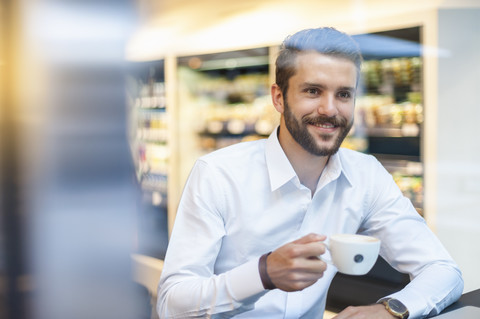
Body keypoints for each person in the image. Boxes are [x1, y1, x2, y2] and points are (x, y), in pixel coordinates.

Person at [157, 27, 463, 318]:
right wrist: (262, 273)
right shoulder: (218, 174)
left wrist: (392, 309)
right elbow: (172, 304)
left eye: (343, 94)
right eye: (313, 91)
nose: (330, 109)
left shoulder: (365, 174)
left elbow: (443, 270)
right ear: (279, 97)